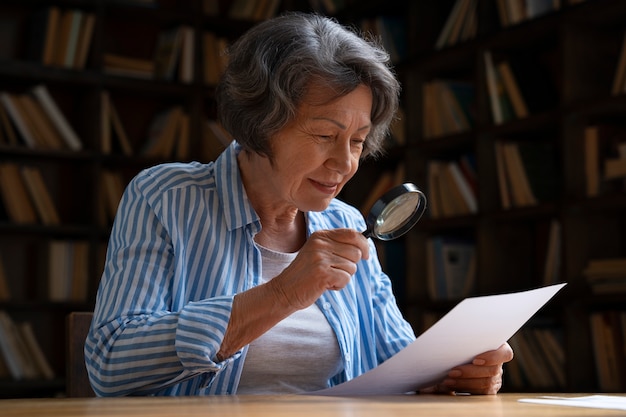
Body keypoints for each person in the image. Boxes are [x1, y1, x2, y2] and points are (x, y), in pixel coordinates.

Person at [85, 12, 513, 396]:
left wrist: (451, 375)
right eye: (325, 136)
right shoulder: (165, 197)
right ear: (259, 123)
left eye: (358, 142)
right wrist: (284, 293)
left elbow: (397, 365)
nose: (345, 163)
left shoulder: (347, 221)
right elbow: (109, 364)